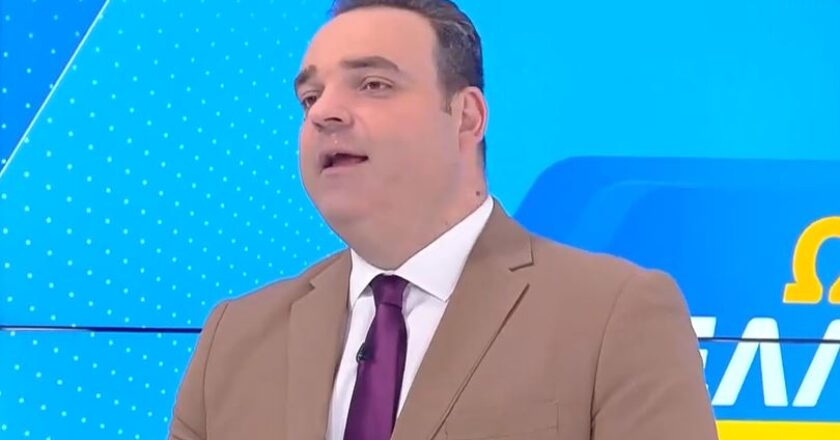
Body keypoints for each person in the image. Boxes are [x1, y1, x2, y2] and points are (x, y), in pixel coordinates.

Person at [168, 1, 719, 439]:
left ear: (467, 116)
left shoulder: (614, 315)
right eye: (310, 97)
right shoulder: (235, 339)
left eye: (373, 84)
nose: (324, 113)